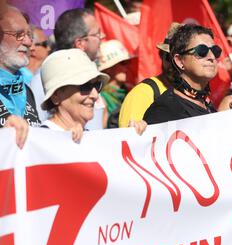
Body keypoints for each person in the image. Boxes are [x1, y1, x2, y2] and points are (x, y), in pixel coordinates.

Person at [143, 24, 232, 125]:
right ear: (179, 61)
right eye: (201, 50)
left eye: (215, 50)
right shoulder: (164, 111)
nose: (211, 57)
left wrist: (230, 117)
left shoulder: (207, 104)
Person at [40, 49, 146, 142]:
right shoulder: (38, 141)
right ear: (56, 95)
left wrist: (132, 138)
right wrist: (63, 142)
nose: (95, 95)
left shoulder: (91, 139)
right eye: (85, 86)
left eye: (97, 85)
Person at [118, 22, 179, 127]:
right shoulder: (142, 93)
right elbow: (128, 140)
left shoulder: (198, 96)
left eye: (180, 59)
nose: (174, 64)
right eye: (169, 58)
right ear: (161, 56)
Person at [54, 8, 106, 130]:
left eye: (97, 85)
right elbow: (40, 138)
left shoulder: (92, 75)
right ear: (80, 43)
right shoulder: (49, 78)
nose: (102, 37)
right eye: (97, 34)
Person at [0, 5, 41, 148]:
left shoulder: (27, 91)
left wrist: (65, 134)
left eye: (29, 35)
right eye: (19, 35)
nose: (29, 42)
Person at [97, 39, 132, 128]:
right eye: (123, 63)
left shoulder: (130, 92)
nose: (127, 67)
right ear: (109, 68)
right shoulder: (98, 99)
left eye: (128, 62)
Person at [27, 25, 51, 121]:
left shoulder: (42, 73)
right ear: (32, 48)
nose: (49, 48)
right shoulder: (20, 77)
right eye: (45, 44)